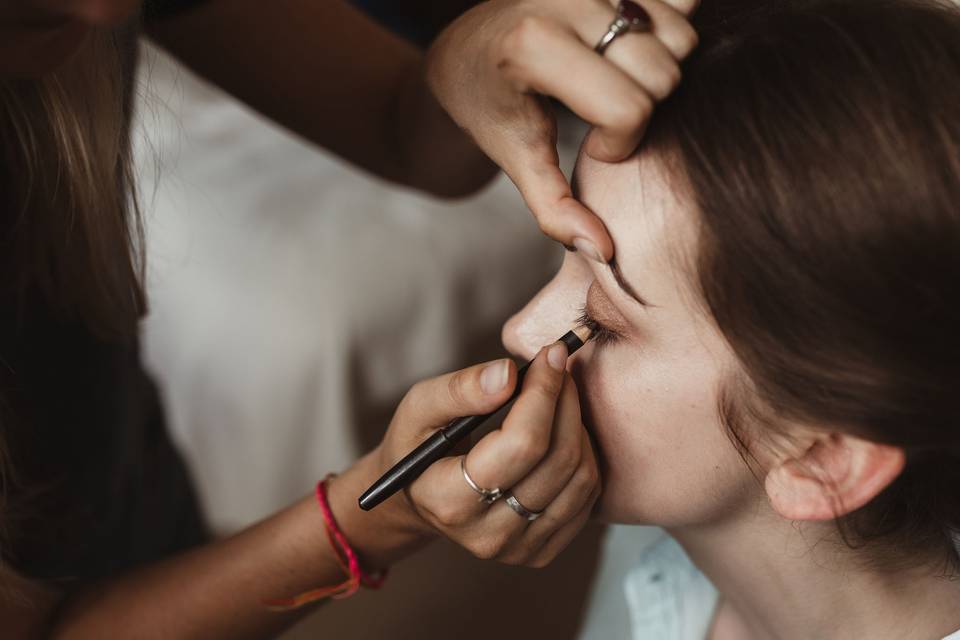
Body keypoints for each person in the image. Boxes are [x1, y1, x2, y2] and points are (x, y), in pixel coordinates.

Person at [0, 0, 699, 637]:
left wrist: (461, 57)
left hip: (122, 477)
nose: (109, 12)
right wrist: (376, 518)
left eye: (605, 316)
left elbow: (399, 123)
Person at [501, 1, 960, 638]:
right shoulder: (658, 549)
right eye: (564, 260)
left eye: (602, 322)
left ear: (824, 457)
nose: (519, 331)